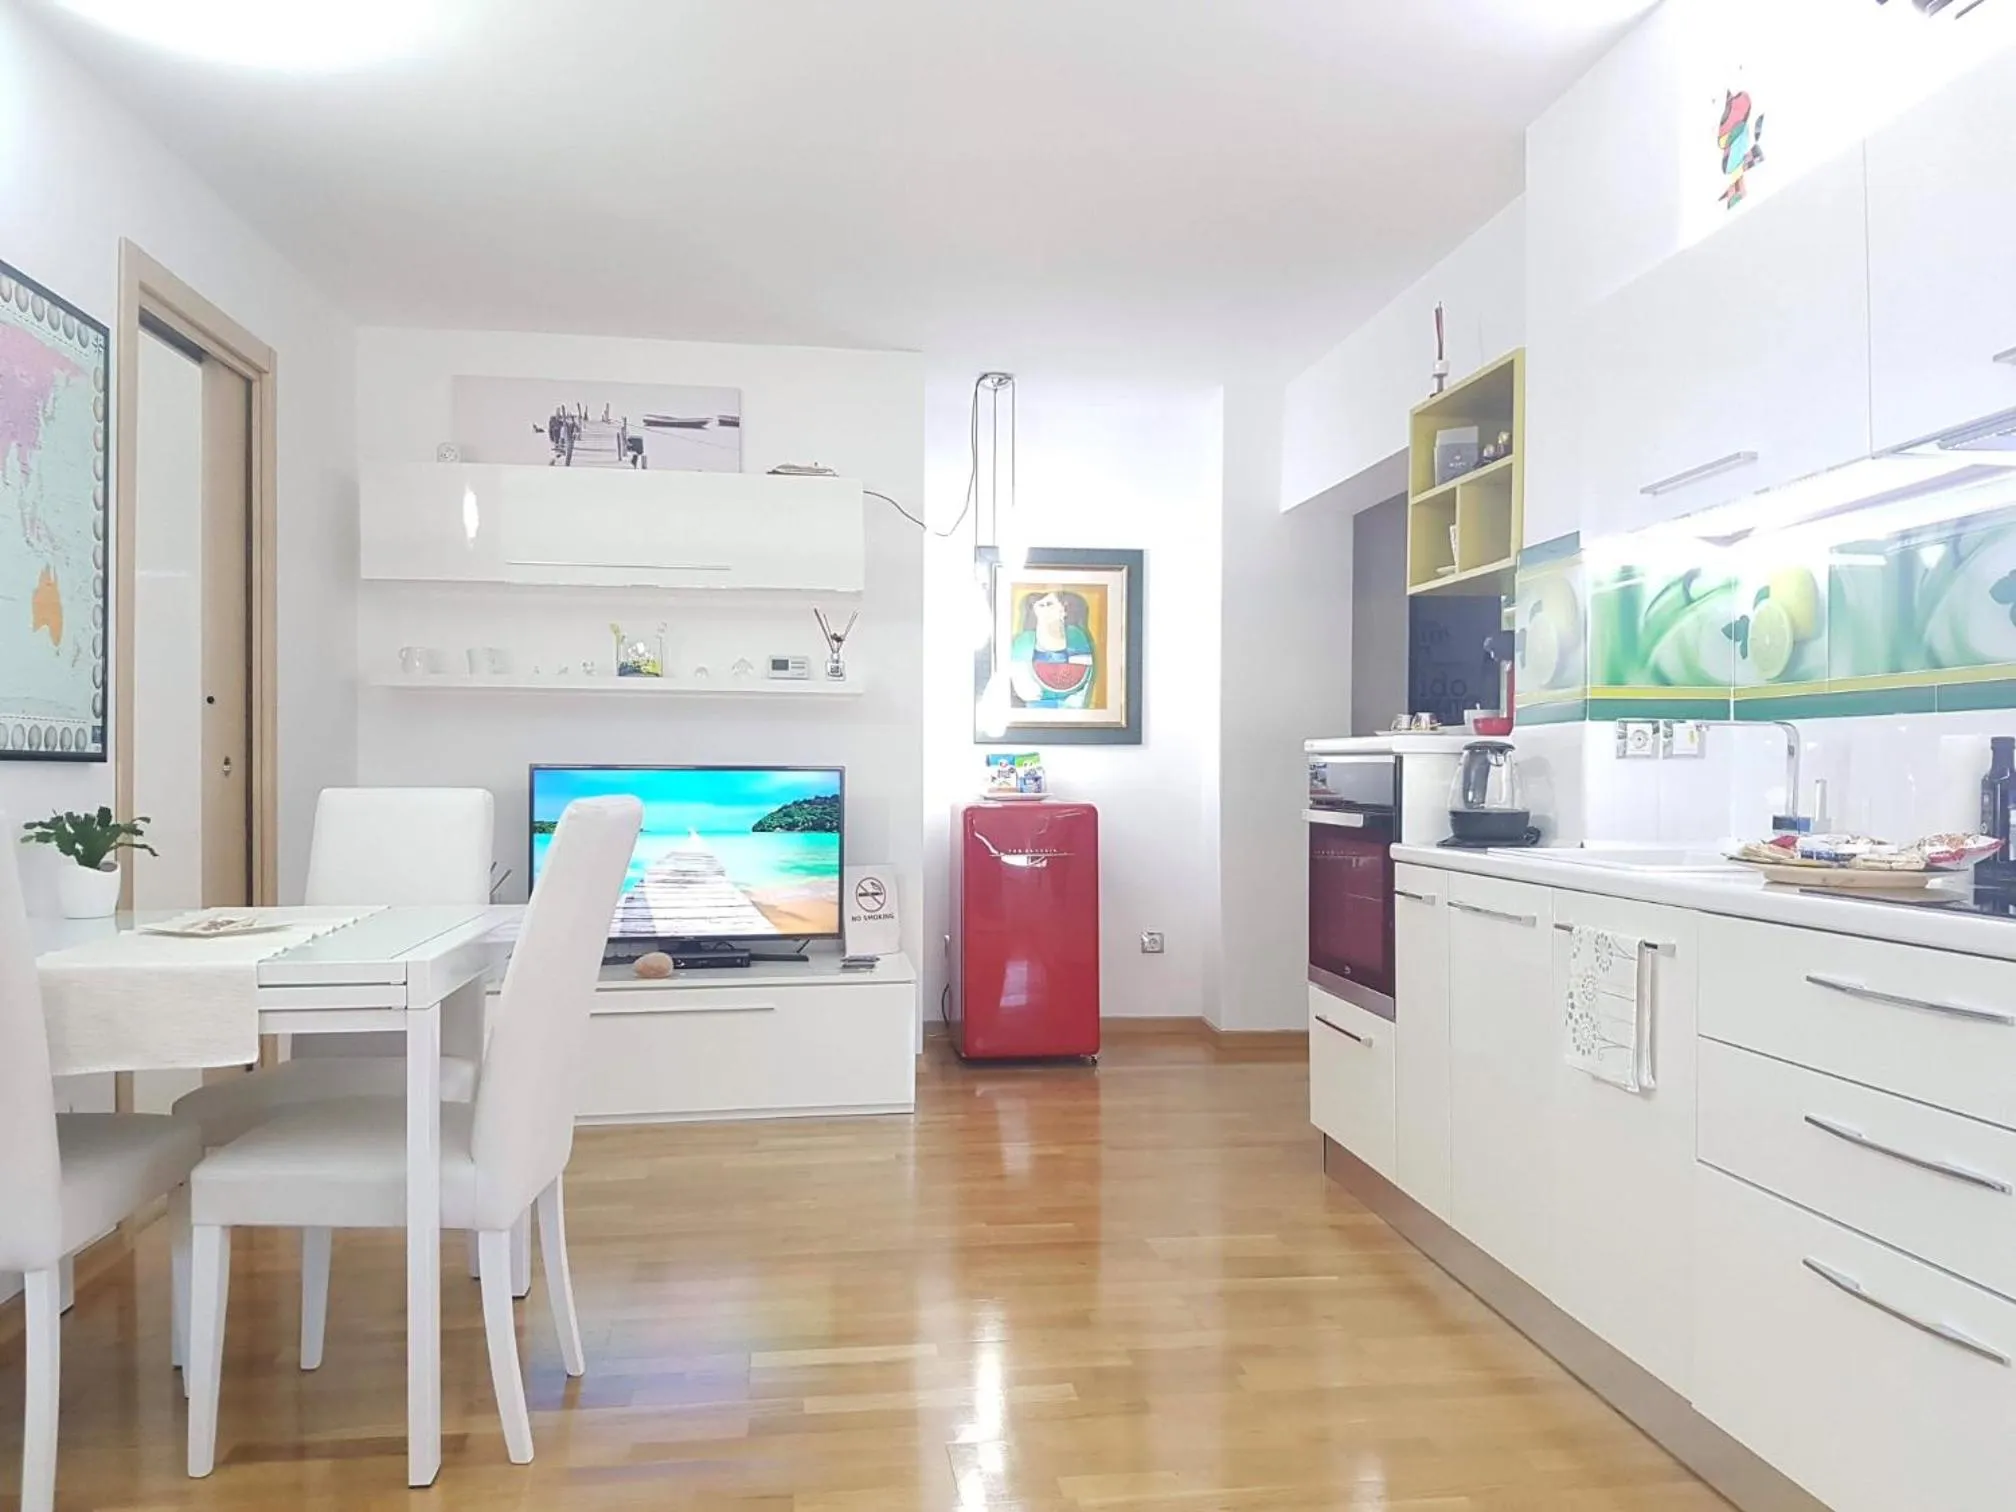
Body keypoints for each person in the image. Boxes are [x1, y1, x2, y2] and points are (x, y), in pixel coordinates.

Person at [1009, 590, 1097, 709]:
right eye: (1041, 605)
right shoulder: (1024, 641)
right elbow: (1027, 691)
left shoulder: (1076, 636)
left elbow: (1080, 685)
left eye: (1049, 604)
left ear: (1063, 610)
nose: (1045, 609)